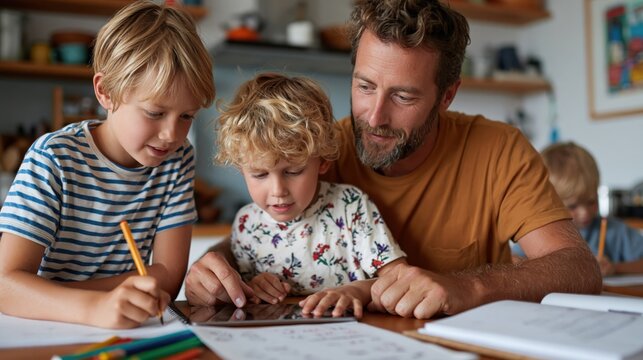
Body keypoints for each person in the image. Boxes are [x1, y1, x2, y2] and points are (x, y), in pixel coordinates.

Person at [185, 0, 602, 317]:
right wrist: (216, 264)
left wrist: (470, 288)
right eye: (365, 86)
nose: (375, 117)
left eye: (403, 95)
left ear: (447, 96)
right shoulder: (319, 147)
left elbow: (578, 268)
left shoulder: (498, 150)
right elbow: (266, 232)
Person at [0, 0, 215, 328]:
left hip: (123, 327)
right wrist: (94, 306)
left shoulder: (177, 159)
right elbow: (7, 286)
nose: (172, 134)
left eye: (187, 116)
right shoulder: (54, 158)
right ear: (105, 92)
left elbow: (169, 279)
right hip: (45, 326)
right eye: (155, 113)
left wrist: (59, 293)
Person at [211, 72, 406, 318]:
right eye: (259, 174)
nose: (278, 191)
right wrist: (255, 287)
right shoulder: (246, 225)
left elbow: (398, 280)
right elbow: (242, 298)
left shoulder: (350, 207)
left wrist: (356, 291)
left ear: (322, 160)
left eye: (293, 171)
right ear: (241, 168)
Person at [512, 142, 643, 276]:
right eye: (572, 206)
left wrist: (615, 268)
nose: (585, 213)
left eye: (591, 201)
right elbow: (513, 260)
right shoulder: (540, 234)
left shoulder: (615, 231)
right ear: (547, 203)